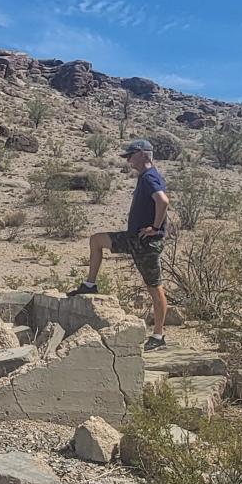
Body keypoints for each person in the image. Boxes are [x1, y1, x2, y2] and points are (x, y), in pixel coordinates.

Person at [67, 139, 170, 352]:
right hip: (133, 238)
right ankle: (90, 285)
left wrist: (155, 228)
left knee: (154, 287)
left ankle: (158, 336)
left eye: (131, 155)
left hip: (146, 243)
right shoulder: (145, 177)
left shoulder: (150, 176)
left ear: (143, 154)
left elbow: (163, 201)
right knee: (96, 240)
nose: (128, 159)